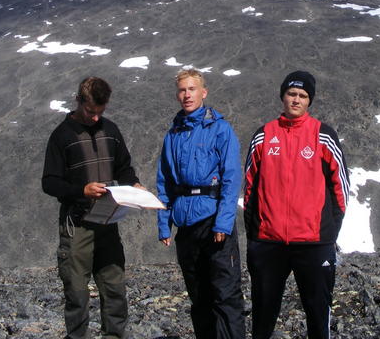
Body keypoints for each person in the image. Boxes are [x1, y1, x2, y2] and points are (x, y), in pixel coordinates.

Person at [244, 71, 350, 339]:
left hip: (314, 243)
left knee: (317, 313)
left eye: (302, 96)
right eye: (292, 94)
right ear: (283, 96)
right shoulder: (263, 135)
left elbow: (341, 188)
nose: (296, 100)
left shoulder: (323, 135)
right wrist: (256, 235)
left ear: (309, 101)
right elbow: (249, 189)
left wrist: (328, 231)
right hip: (269, 243)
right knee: (263, 317)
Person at [42, 76, 142, 339]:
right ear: (79, 101)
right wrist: (81, 191)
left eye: (101, 111)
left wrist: (134, 184)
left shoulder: (111, 130)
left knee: (114, 286)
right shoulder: (62, 136)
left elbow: (124, 166)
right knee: (76, 291)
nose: (96, 117)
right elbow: (50, 182)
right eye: (90, 111)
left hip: (108, 222)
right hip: (77, 225)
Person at [156, 68, 245, 339]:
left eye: (192, 89)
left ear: (203, 92)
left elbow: (231, 179)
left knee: (226, 295)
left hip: (213, 221)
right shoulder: (173, 134)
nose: (187, 95)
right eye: (182, 90)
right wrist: (164, 224)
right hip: (186, 225)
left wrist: (224, 222)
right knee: (199, 297)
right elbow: (165, 182)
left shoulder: (220, 129)